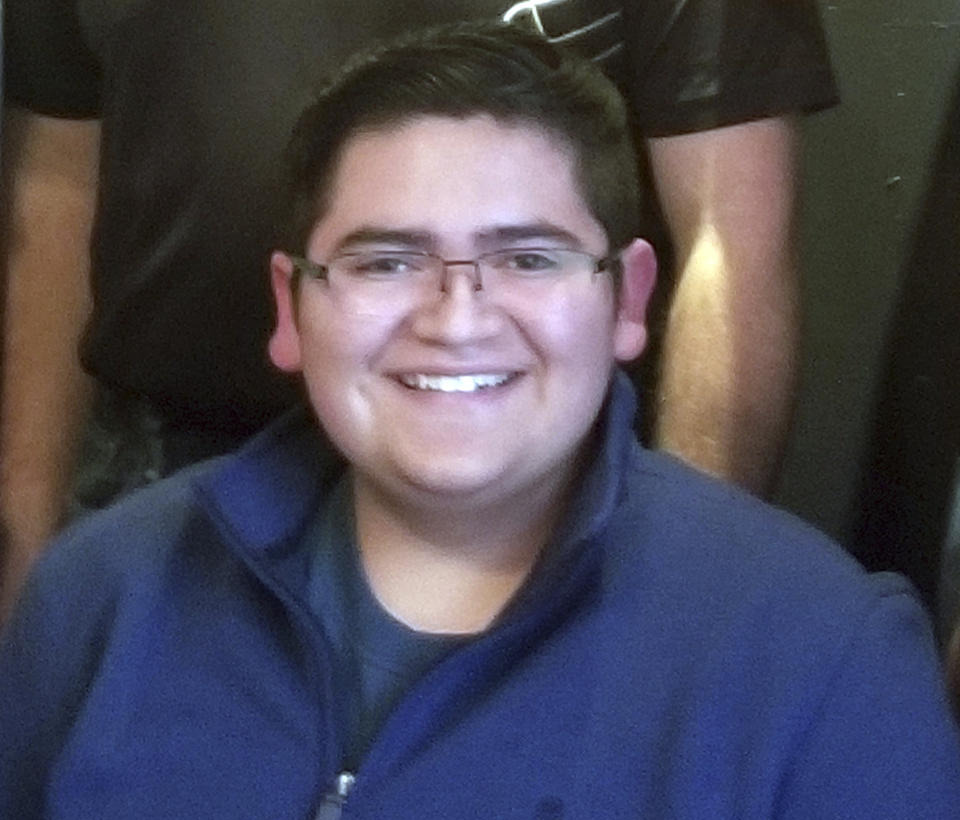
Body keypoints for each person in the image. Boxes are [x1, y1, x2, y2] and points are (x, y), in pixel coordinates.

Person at [1, 24, 956, 820]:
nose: (457, 318)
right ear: (292, 311)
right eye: (385, 262)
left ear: (626, 301)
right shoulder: (99, 602)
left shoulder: (829, 669)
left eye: (529, 260)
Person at [0, 0, 838, 620]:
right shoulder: (94, 588)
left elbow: (732, 248)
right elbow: (62, 188)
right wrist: (22, 537)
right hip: (160, 466)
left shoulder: (842, 650)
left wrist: (678, 589)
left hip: (526, 496)